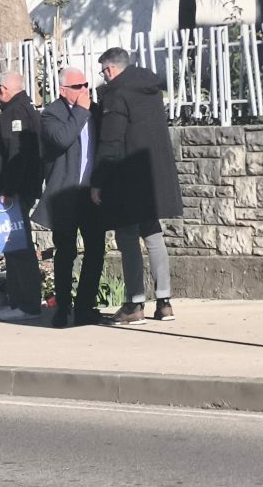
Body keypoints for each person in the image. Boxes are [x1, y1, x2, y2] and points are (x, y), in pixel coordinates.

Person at [90, 48, 183, 325]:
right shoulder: (150, 88)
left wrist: (98, 181)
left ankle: (134, 303)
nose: (104, 77)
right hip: (153, 174)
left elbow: (111, 141)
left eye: (103, 72)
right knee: (153, 234)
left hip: (126, 176)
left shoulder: (116, 94)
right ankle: (164, 302)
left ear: (110, 69)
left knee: (127, 237)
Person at [33, 67, 104, 328]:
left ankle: (85, 306)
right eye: (77, 87)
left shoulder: (94, 111)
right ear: (63, 90)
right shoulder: (52, 114)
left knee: (96, 250)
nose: (84, 90)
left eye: (86, 85)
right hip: (64, 193)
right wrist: (81, 111)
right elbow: (61, 139)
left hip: (91, 192)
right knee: (66, 252)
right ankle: (63, 307)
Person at [0, 71, 43, 322]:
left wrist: (8, 190)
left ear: (3, 89)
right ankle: (19, 302)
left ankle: (26, 304)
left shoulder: (15, 112)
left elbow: (16, 153)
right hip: (21, 189)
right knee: (14, 246)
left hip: (15, 191)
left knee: (18, 247)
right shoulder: (25, 108)